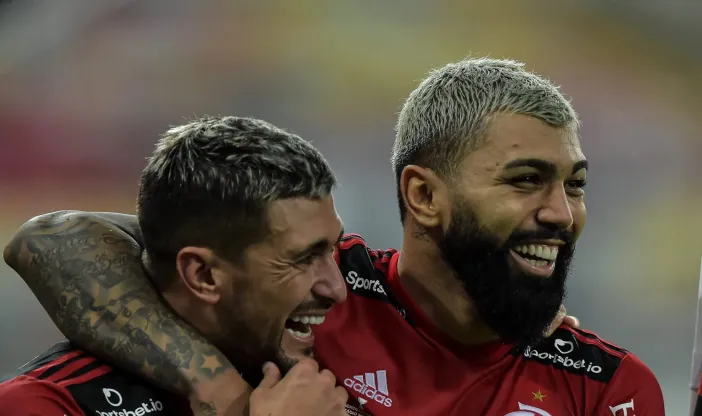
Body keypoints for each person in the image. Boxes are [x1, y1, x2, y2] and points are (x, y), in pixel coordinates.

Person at [4, 58, 663, 415]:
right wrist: (216, 386)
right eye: (526, 181)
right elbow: (59, 241)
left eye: (574, 185)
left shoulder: (606, 386)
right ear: (423, 196)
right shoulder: (311, 298)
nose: (562, 212)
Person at [0, 117, 353, 416]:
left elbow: (54, 236)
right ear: (203, 275)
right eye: (303, 258)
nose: (337, 289)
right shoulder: (45, 404)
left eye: (331, 249)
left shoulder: (332, 365)